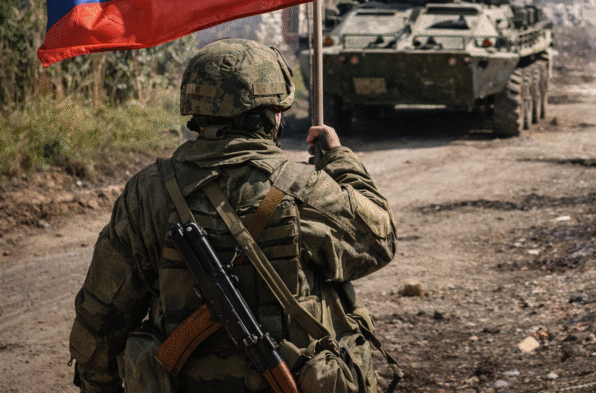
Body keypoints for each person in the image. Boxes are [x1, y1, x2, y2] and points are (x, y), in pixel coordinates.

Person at [69, 38, 397, 393]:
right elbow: (379, 240)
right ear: (271, 114)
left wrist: (97, 386)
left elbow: (101, 316)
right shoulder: (304, 187)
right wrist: (339, 159)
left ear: (196, 110)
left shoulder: (149, 191)